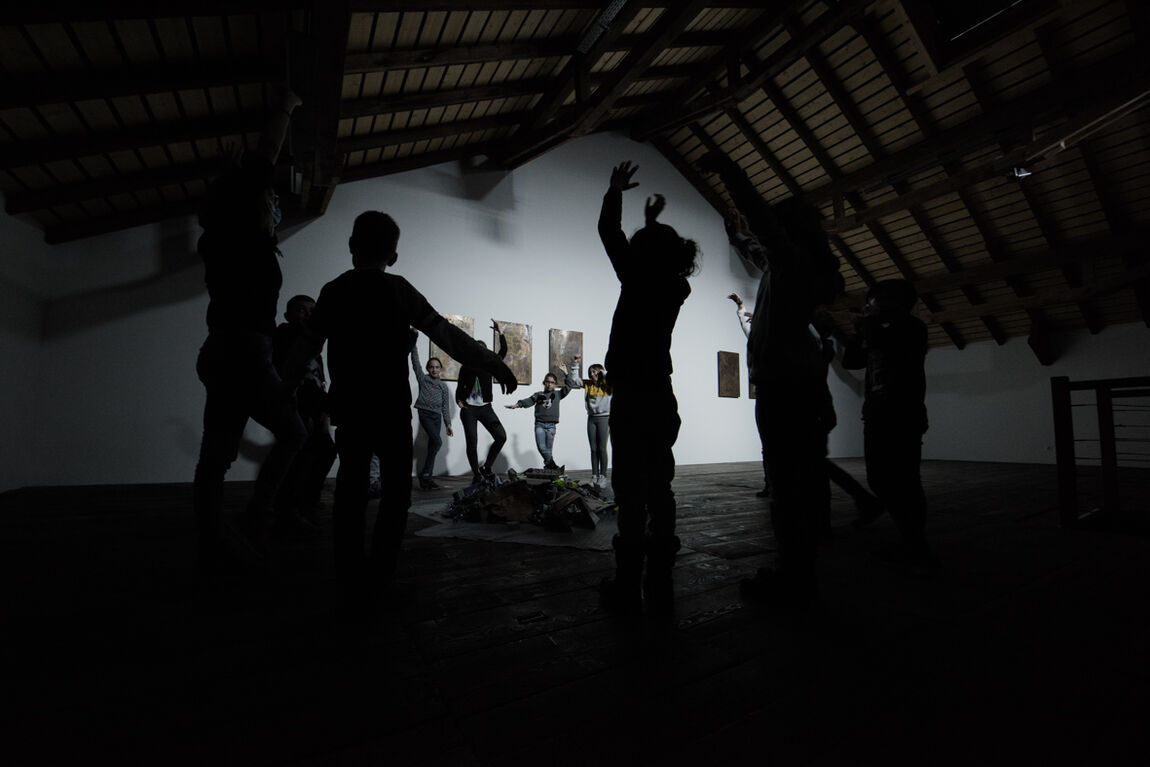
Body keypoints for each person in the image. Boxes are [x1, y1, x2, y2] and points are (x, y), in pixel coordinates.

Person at [289, 212, 517, 615]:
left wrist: (280, 385)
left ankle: (349, 576)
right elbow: (445, 334)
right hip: (390, 407)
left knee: (350, 488)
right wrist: (493, 362)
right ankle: (380, 577)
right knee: (395, 496)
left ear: (351, 246)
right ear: (393, 255)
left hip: (352, 407)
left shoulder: (334, 290)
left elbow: (306, 347)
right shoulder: (398, 290)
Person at [701, 152, 842, 608]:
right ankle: (796, 571)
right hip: (786, 385)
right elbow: (760, 245)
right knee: (792, 483)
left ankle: (795, 579)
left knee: (788, 487)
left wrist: (729, 171)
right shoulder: (788, 269)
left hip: (785, 388)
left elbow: (765, 228)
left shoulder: (794, 266)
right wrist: (738, 236)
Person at [191, 89, 308, 572]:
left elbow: (253, 176)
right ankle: (229, 529)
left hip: (228, 350)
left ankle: (234, 524)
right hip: (241, 352)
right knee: (273, 438)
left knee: (228, 449)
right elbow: (267, 154)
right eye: (270, 198)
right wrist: (284, 106)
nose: (274, 203)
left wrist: (226, 178)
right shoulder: (243, 237)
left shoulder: (219, 241)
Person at [597, 161, 697, 617]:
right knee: (660, 483)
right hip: (661, 392)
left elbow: (608, 230)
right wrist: (655, 225)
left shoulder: (636, 280)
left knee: (628, 487)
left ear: (643, 256)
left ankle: (626, 580)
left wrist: (616, 190)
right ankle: (660, 570)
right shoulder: (677, 287)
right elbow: (647, 252)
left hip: (633, 396)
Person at [840, 279, 933, 568]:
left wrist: (865, 327)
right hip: (877, 414)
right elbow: (851, 362)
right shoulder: (877, 331)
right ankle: (911, 540)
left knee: (905, 481)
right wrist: (855, 335)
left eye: (873, 301)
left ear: (892, 302)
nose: (868, 306)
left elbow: (885, 344)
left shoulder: (913, 328)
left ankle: (914, 543)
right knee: (880, 479)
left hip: (902, 414)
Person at [272, 294, 337, 532]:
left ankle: (304, 501)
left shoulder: (312, 342)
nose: (309, 315)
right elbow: (290, 375)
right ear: (288, 315)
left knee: (323, 452)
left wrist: (324, 412)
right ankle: (290, 507)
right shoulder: (284, 337)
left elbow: (317, 379)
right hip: (297, 406)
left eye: (312, 311)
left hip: (314, 407)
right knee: (303, 456)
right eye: (302, 310)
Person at [456, 320, 511, 483]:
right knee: (472, 442)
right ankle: (476, 475)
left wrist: (500, 332)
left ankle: (486, 467)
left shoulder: (490, 365)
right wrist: (459, 400)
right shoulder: (466, 366)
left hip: (486, 408)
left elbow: (504, 351)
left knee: (501, 436)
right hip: (469, 409)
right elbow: (460, 385)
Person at [410, 336, 453, 490]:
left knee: (433, 446)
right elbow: (415, 362)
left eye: (437, 367)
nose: (434, 369)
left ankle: (426, 477)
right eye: (431, 367)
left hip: (437, 417)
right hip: (425, 414)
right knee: (437, 442)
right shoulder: (423, 379)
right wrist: (413, 343)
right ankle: (426, 475)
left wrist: (448, 424)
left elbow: (445, 407)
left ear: (440, 369)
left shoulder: (443, 387)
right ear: (428, 369)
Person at [565, 354, 613, 489]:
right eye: (590, 372)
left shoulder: (608, 385)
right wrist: (575, 364)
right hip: (591, 418)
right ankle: (595, 475)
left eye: (594, 372)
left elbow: (613, 377)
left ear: (600, 372)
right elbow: (575, 381)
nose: (591, 374)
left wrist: (604, 373)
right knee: (593, 449)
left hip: (604, 418)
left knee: (602, 448)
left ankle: (603, 477)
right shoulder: (588, 384)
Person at [506, 371, 571, 470]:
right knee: (541, 448)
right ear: (544, 383)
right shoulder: (538, 395)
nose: (549, 384)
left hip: (551, 426)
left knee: (548, 450)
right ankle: (553, 465)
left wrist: (566, 374)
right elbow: (528, 401)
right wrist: (517, 405)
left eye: (552, 382)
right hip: (540, 424)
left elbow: (568, 387)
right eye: (547, 382)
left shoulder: (558, 394)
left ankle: (549, 467)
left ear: (555, 384)